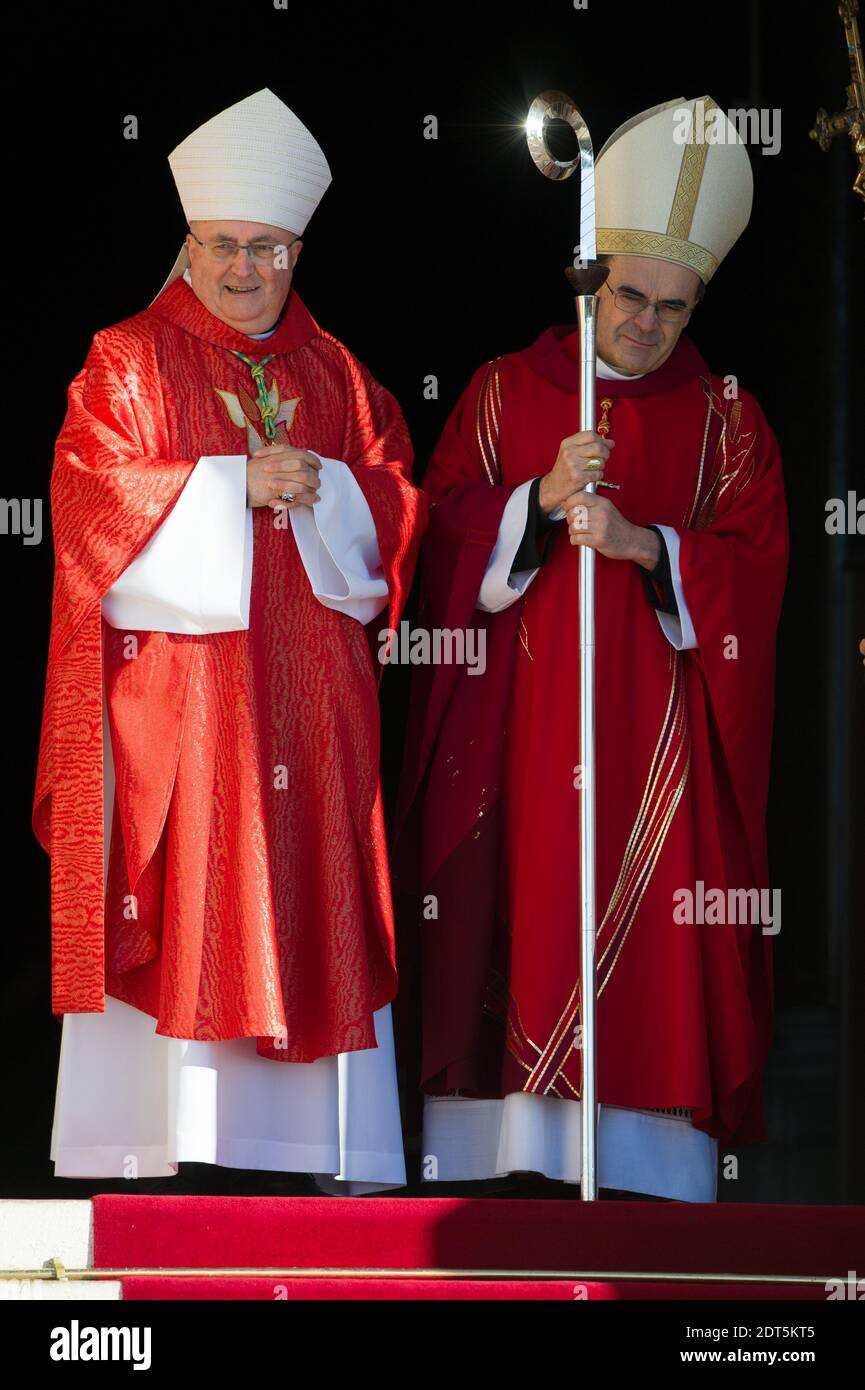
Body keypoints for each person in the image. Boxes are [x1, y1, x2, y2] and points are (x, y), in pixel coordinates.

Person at [396, 96, 789, 1201]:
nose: (647, 324)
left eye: (675, 305)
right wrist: (529, 504)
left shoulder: (727, 420)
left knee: (652, 944)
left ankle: (648, 1169)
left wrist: (647, 544)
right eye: (628, 296)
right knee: (514, 910)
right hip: (520, 745)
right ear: (589, 274)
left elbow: (755, 577)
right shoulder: (500, 392)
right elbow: (427, 543)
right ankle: (506, 1154)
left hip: (652, 751)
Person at [34, 88, 426, 1193]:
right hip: (182, 706)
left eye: (265, 247)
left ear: (297, 249)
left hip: (313, 706)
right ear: (189, 242)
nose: (242, 267)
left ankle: (316, 1155)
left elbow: (400, 510)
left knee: (309, 884)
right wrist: (229, 486)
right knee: (183, 888)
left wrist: (330, 493)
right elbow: (85, 504)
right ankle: (159, 1148)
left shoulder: (341, 376)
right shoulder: (126, 360)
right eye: (221, 246)